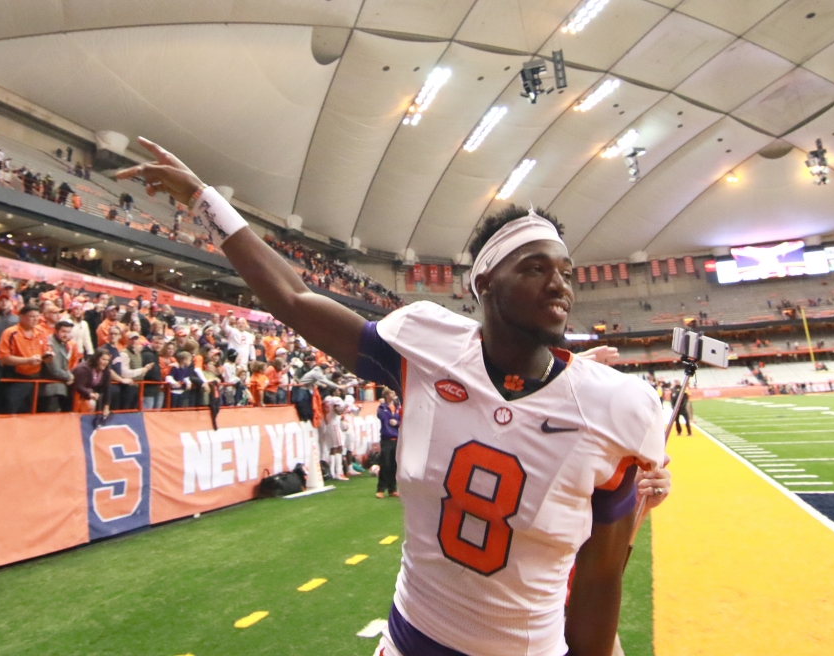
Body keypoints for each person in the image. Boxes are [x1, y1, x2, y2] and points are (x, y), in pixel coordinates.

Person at [119, 140, 673, 656]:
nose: (560, 285)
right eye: (535, 268)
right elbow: (293, 298)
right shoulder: (426, 349)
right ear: (484, 284)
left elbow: (600, 578)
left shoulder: (613, 407)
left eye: (566, 273)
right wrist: (203, 199)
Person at [0, 306, 51, 414]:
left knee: (30, 412)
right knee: (10, 409)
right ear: (21, 317)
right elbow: (3, 358)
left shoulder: (41, 332)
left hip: (35, 379)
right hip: (14, 378)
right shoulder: (10, 333)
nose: (35, 319)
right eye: (31, 316)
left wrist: (48, 356)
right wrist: (27, 361)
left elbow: (46, 350)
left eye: (37, 316)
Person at [40, 320, 80, 413]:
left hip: (61, 386)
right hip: (50, 388)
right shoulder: (51, 344)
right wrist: (70, 376)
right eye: (63, 332)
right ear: (56, 331)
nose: (66, 335)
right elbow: (54, 370)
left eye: (68, 332)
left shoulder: (65, 344)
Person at [375, 387, 401, 499]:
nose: (394, 393)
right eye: (391, 392)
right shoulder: (382, 407)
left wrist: (397, 423)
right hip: (386, 439)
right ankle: (381, 489)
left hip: (397, 438)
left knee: (394, 465)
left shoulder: (397, 407)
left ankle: (392, 488)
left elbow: (403, 420)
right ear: (386, 395)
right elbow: (381, 417)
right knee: (385, 464)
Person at [71, 350, 112, 415]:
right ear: (96, 359)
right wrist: (90, 393)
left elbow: (107, 389)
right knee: (91, 403)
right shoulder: (83, 369)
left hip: (91, 395)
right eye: (103, 359)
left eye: (107, 360)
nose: (106, 362)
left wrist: (106, 407)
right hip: (75, 394)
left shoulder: (106, 371)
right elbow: (79, 386)